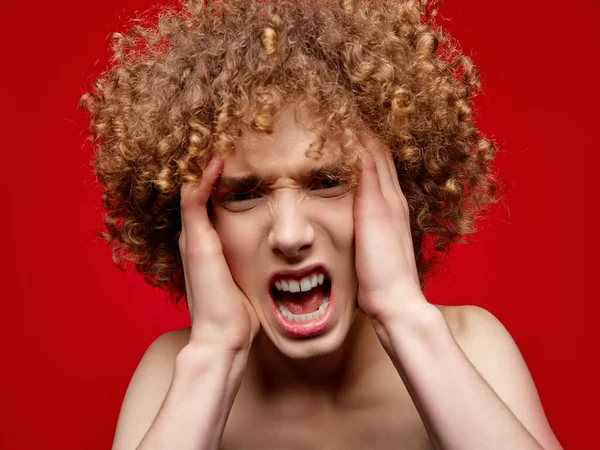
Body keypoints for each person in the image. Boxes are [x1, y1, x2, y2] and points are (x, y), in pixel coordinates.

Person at [80, 0, 563, 448]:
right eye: (244, 195)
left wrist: (403, 317)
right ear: (200, 227)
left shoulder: (471, 345)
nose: (291, 236)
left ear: (398, 196)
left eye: (329, 181)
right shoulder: (174, 371)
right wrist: (215, 359)